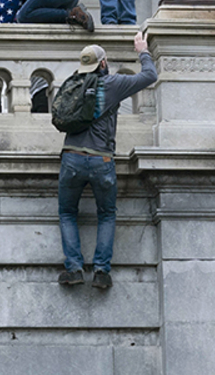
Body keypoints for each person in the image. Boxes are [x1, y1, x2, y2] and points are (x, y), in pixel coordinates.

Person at [57, 34, 157, 291]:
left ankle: (74, 269)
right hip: (101, 158)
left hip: (71, 157)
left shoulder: (74, 84)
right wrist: (143, 51)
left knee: (68, 213)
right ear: (103, 64)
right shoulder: (113, 83)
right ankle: (101, 272)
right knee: (107, 214)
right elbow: (149, 76)